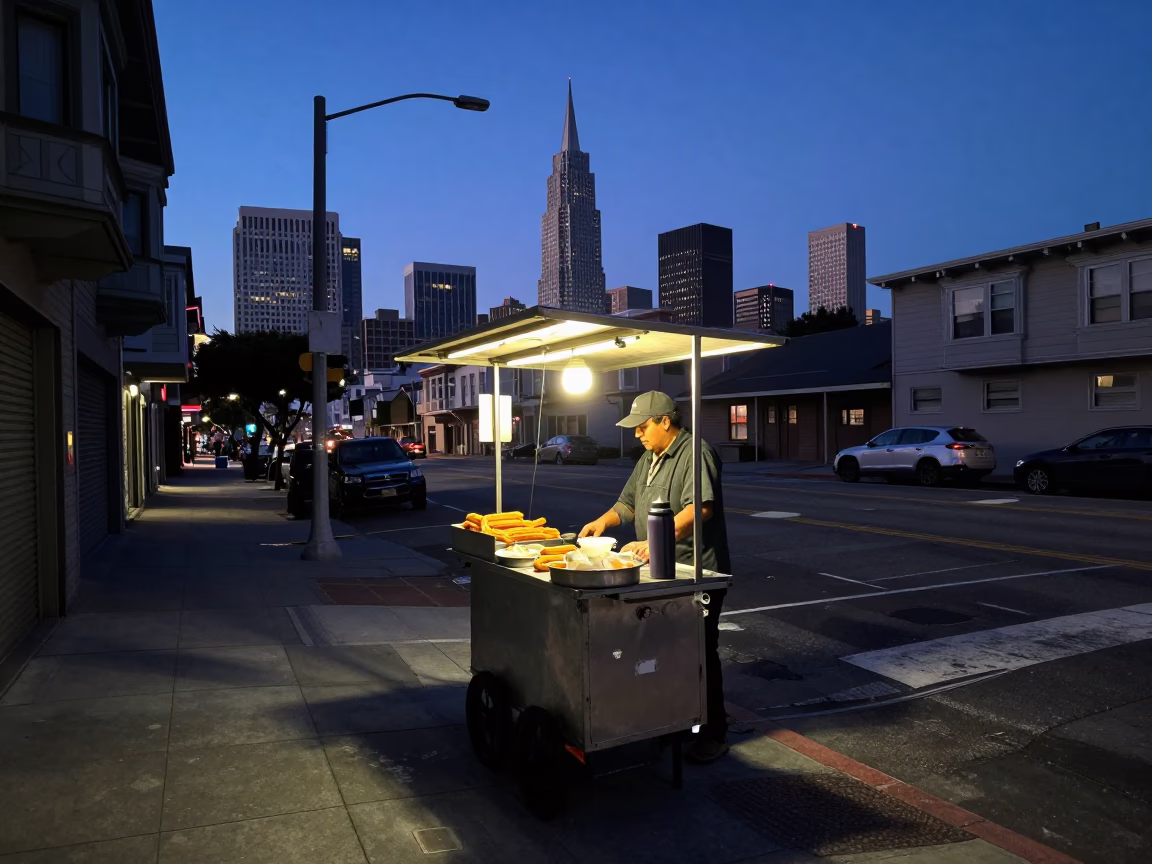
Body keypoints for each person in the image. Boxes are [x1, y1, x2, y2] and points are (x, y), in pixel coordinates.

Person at [579, 391, 731, 764]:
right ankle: (674, 724)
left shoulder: (696, 453)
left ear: (666, 421)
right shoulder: (649, 457)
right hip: (658, 574)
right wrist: (603, 521)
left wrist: (654, 541)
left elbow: (701, 509)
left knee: (697, 653)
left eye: (644, 427)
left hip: (694, 573)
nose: (638, 435)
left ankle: (713, 733)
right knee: (662, 652)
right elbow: (627, 503)